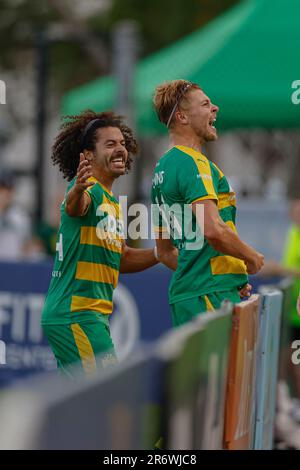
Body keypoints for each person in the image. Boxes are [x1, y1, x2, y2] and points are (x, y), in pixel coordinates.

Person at [41, 110, 158, 378]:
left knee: (89, 404)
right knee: (104, 403)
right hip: (76, 313)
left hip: (88, 316)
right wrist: (78, 189)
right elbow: (75, 207)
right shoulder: (88, 190)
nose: (120, 150)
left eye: (122, 144)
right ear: (87, 156)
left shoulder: (112, 203)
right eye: (110, 144)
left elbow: (122, 258)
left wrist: (160, 254)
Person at [151, 80, 264, 327]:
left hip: (192, 295)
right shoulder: (193, 163)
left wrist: (228, 276)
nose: (216, 108)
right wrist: (251, 258)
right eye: (205, 104)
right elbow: (213, 229)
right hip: (209, 297)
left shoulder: (162, 168)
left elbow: (164, 251)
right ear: (182, 117)